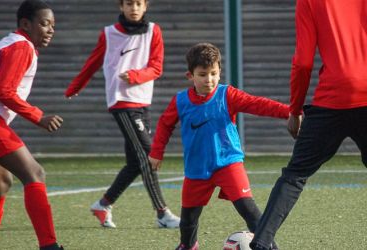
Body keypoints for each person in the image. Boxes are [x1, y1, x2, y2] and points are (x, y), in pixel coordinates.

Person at [250, 0, 367, 249]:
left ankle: (261, 241)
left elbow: (303, 62)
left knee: (295, 175)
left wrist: (295, 110)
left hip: (331, 101)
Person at [148, 43, 288, 250]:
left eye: (213, 73)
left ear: (220, 72)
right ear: (190, 76)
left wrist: (290, 112)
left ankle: (270, 247)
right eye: (202, 74)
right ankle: (188, 246)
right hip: (197, 169)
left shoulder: (227, 95)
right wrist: (157, 152)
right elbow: (165, 124)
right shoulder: (180, 101)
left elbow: (258, 104)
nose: (209, 79)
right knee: (188, 222)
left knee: (250, 211)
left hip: (228, 163)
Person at [64, 0, 180, 228]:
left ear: (146, 6)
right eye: (129, 3)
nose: (133, 8)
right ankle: (162, 214)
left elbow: (156, 67)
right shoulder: (108, 34)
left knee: (136, 163)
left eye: (138, 3)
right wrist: (74, 87)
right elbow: (92, 63)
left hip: (142, 102)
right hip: (121, 101)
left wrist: (136, 75)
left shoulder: (154, 31)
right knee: (148, 155)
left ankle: (103, 204)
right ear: (121, 6)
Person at [0, 1, 64, 249]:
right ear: (25, 24)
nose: (51, 30)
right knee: (35, 173)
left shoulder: (8, 43)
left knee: (0, 183)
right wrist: (38, 117)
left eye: (53, 25)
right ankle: (49, 246)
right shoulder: (22, 47)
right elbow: (5, 92)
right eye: (44, 24)